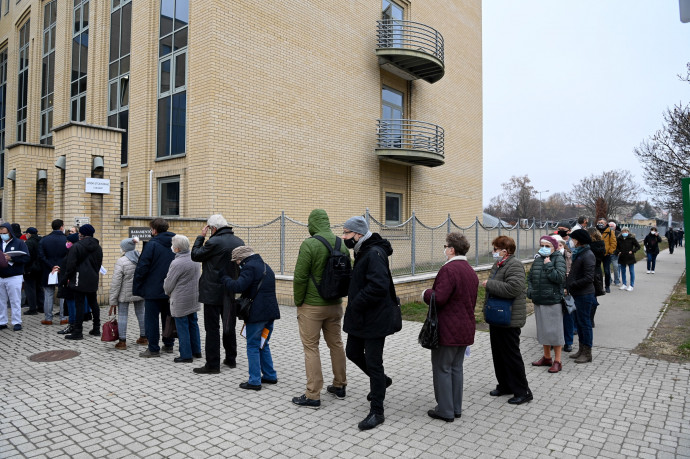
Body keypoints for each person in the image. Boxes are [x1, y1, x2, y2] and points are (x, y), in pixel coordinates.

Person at [341, 216, 401, 430]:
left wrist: (356, 302)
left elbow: (378, 286)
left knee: (374, 363)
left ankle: (377, 411)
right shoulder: (362, 250)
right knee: (353, 352)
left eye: (347, 233)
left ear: (357, 234)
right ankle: (382, 381)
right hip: (363, 317)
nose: (344, 237)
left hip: (374, 319)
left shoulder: (374, 253)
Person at [291, 209, 348, 409]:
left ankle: (313, 394)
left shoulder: (310, 244)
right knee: (336, 344)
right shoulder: (342, 244)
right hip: (335, 304)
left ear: (312, 224)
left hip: (312, 307)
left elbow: (300, 277)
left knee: (311, 348)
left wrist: (299, 301)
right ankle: (340, 385)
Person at [421, 232, 478, 422]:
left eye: (445, 246)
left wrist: (425, 294)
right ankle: (456, 407)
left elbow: (440, 297)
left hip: (447, 328)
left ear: (451, 249)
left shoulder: (449, 270)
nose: (444, 249)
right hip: (465, 327)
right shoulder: (470, 270)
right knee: (456, 368)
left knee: (442, 368)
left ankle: (445, 410)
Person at [191, 214, 245, 374]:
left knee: (212, 328)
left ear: (213, 228)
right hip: (231, 290)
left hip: (212, 292)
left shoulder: (213, 241)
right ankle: (231, 359)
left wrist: (200, 237)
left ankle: (212, 365)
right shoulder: (238, 241)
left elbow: (195, 255)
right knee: (229, 325)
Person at [482, 236, 532, 404]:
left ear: (505, 251)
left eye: (495, 249)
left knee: (511, 355)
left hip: (509, 318)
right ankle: (505, 385)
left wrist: (489, 284)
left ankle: (522, 390)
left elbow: (514, 288)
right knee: (499, 353)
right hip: (497, 316)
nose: (493, 252)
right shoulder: (498, 265)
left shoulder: (515, 265)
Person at [221, 246, 280, 390]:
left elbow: (238, 286)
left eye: (237, 260)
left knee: (252, 345)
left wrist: (225, 278)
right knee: (263, 344)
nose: (237, 263)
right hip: (270, 313)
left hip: (256, 314)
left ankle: (254, 381)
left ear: (242, 259)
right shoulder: (266, 266)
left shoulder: (249, 267)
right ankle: (270, 375)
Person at [133, 218, 176, 357]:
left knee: (151, 319)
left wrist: (138, 285)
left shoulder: (152, 245)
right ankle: (169, 344)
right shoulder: (176, 243)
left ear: (154, 230)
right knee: (168, 316)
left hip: (153, 288)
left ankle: (153, 348)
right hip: (171, 288)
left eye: (151, 229)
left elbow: (142, 266)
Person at [528, 235, 566, 373]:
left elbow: (560, 278)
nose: (543, 248)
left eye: (547, 246)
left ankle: (557, 361)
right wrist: (531, 291)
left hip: (552, 300)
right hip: (539, 299)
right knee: (543, 330)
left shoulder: (558, 259)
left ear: (554, 247)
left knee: (555, 332)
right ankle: (546, 357)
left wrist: (549, 265)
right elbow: (531, 277)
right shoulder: (538, 259)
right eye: (542, 245)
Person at [164, 235, 202, 363]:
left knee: (182, 326)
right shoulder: (195, 259)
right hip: (194, 296)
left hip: (180, 299)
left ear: (177, 249)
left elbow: (169, 284)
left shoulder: (177, 263)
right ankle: (196, 351)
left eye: (174, 245)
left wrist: (167, 292)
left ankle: (186, 355)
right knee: (193, 323)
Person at [63, 224, 103, 340]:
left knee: (79, 305)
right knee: (93, 303)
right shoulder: (98, 247)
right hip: (93, 278)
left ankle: (78, 331)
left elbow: (71, 266)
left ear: (82, 234)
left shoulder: (77, 246)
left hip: (78, 279)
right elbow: (99, 264)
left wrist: (65, 279)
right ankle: (96, 328)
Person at [108, 238, 147, 350]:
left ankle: (122, 341)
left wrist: (113, 300)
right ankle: (144, 337)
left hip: (124, 293)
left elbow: (116, 282)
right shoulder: (141, 258)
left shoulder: (122, 261)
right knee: (141, 313)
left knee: (123, 315)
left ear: (124, 248)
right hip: (139, 291)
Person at [566, 229, 596, 364]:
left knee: (585, 324)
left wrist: (573, 284)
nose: (571, 241)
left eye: (572, 239)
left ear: (577, 240)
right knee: (579, 323)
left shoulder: (587, 254)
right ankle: (581, 349)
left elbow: (589, 277)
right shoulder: (579, 253)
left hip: (585, 294)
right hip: (578, 293)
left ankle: (587, 353)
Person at [0, 223, 30, 331]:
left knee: (15, 300)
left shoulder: (19, 243)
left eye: (5, 233)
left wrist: (12, 259)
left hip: (14, 276)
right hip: (1, 276)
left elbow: (26, 258)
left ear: (10, 233)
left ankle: (17, 322)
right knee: (1, 301)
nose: (3, 235)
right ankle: (2, 321)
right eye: (1, 233)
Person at [38, 219, 68, 325]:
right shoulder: (66, 239)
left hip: (48, 269)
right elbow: (68, 255)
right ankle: (63, 317)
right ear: (61, 227)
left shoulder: (44, 240)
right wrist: (59, 266)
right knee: (63, 294)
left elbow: (41, 256)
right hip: (62, 270)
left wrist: (52, 266)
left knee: (48, 294)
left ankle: (48, 318)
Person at [587, 227, 606, 328]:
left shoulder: (589, 246)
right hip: (598, 271)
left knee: (589, 296)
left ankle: (588, 319)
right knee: (594, 296)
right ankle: (591, 319)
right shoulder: (601, 244)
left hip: (590, 272)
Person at [23, 227, 44, 316]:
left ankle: (32, 308)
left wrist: (25, 267)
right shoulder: (41, 240)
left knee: (30, 288)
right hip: (40, 268)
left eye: (26, 234)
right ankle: (41, 307)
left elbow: (27, 257)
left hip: (30, 269)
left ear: (29, 234)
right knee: (39, 287)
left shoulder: (28, 243)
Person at [616, 227, 640, 292]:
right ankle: (624, 284)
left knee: (631, 271)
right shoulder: (619, 239)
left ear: (628, 232)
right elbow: (616, 247)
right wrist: (618, 251)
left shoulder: (632, 238)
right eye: (623, 231)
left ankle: (631, 285)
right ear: (621, 232)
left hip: (630, 257)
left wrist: (632, 251)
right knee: (622, 271)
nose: (625, 233)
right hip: (622, 256)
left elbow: (638, 246)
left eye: (626, 231)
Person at [596, 218, 617, 293]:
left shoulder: (610, 232)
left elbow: (613, 243)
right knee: (598, 272)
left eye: (601, 222)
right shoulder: (596, 231)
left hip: (606, 255)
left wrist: (610, 252)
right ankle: (599, 286)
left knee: (607, 271)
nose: (600, 223)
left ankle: (607, 286)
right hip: (597, 254)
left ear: (605, 224)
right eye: (599, 222)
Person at [608, 221, 621, 286]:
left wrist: (618, 251)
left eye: (612, 226)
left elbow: (620, 244)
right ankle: (609, 280)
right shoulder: (606, 233)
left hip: (615, 253)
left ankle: (617, 280)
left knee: (616, 267)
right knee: (608, 268)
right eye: (609, 226)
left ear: (615, 227)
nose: (610, 227)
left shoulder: (618, 234)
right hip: (608, 253)